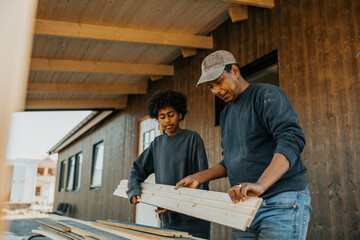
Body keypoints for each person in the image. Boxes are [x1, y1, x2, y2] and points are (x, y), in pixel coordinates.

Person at [175, 50, 311, 240]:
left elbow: (292, 139)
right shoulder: (226, 115)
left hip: (280, 203)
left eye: (219, 82)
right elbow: (231, 160)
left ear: (235, 71)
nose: (216, 91)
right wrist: (199, 177)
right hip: (244, 206)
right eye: (210, 86)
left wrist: (261, 184)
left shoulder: (266, 95)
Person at [126, 89, 211, 239]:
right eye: (162, 117)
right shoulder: (157, 144)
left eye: (171, 115)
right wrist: (134, 189)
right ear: (157, 118)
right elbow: (138, 168)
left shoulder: (192, 139)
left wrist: (174, 204)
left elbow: (202, 181)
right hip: (167, 223)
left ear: (179, 114)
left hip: (194, 222)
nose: (167, 120)